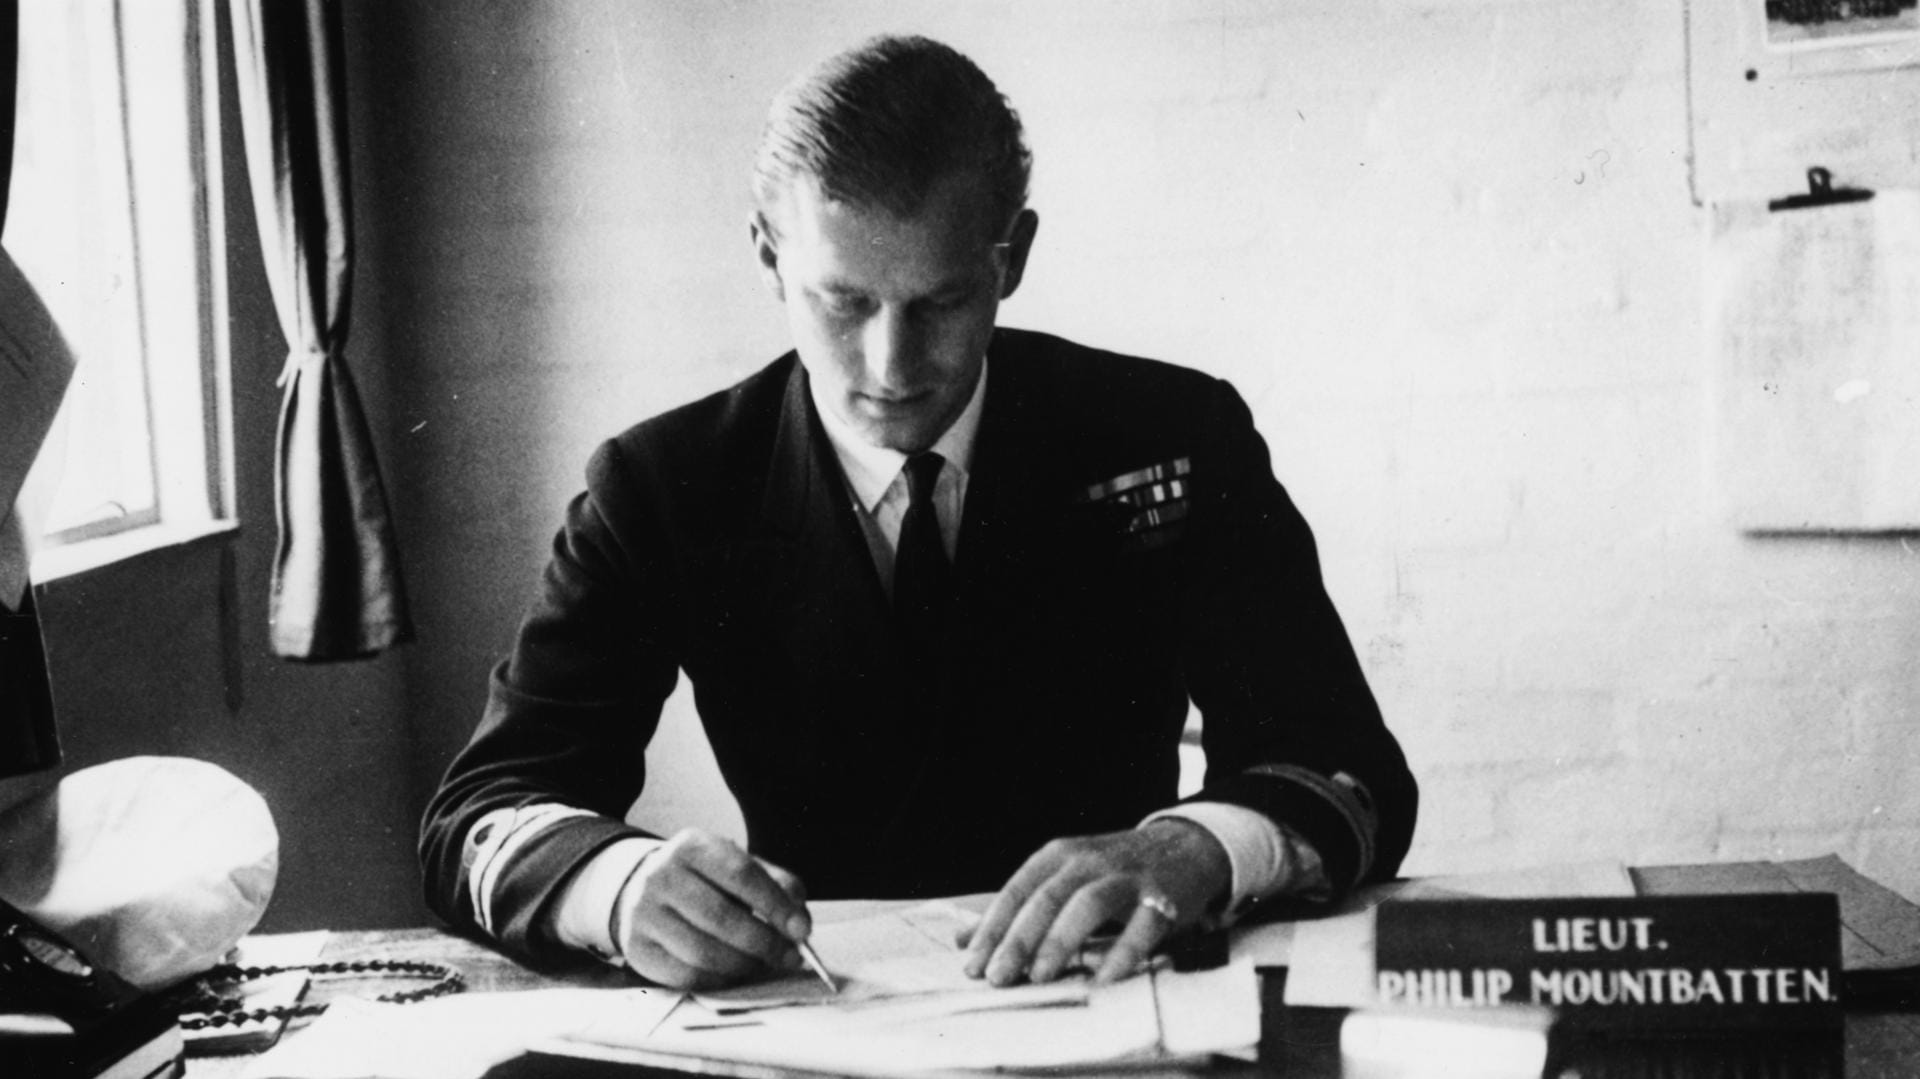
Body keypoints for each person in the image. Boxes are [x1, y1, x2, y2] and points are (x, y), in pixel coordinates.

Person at [420, 34, 1416, 991]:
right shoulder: (663, 485)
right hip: (814, 1028)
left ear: (1010, 259)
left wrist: (1196, 844)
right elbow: (477, 812)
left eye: (938, 304)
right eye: (842, 303)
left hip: (1123, 1002)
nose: (890, 369)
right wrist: (618, 883)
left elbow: (1351, 770)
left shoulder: (1171, 432)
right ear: (768, 258)